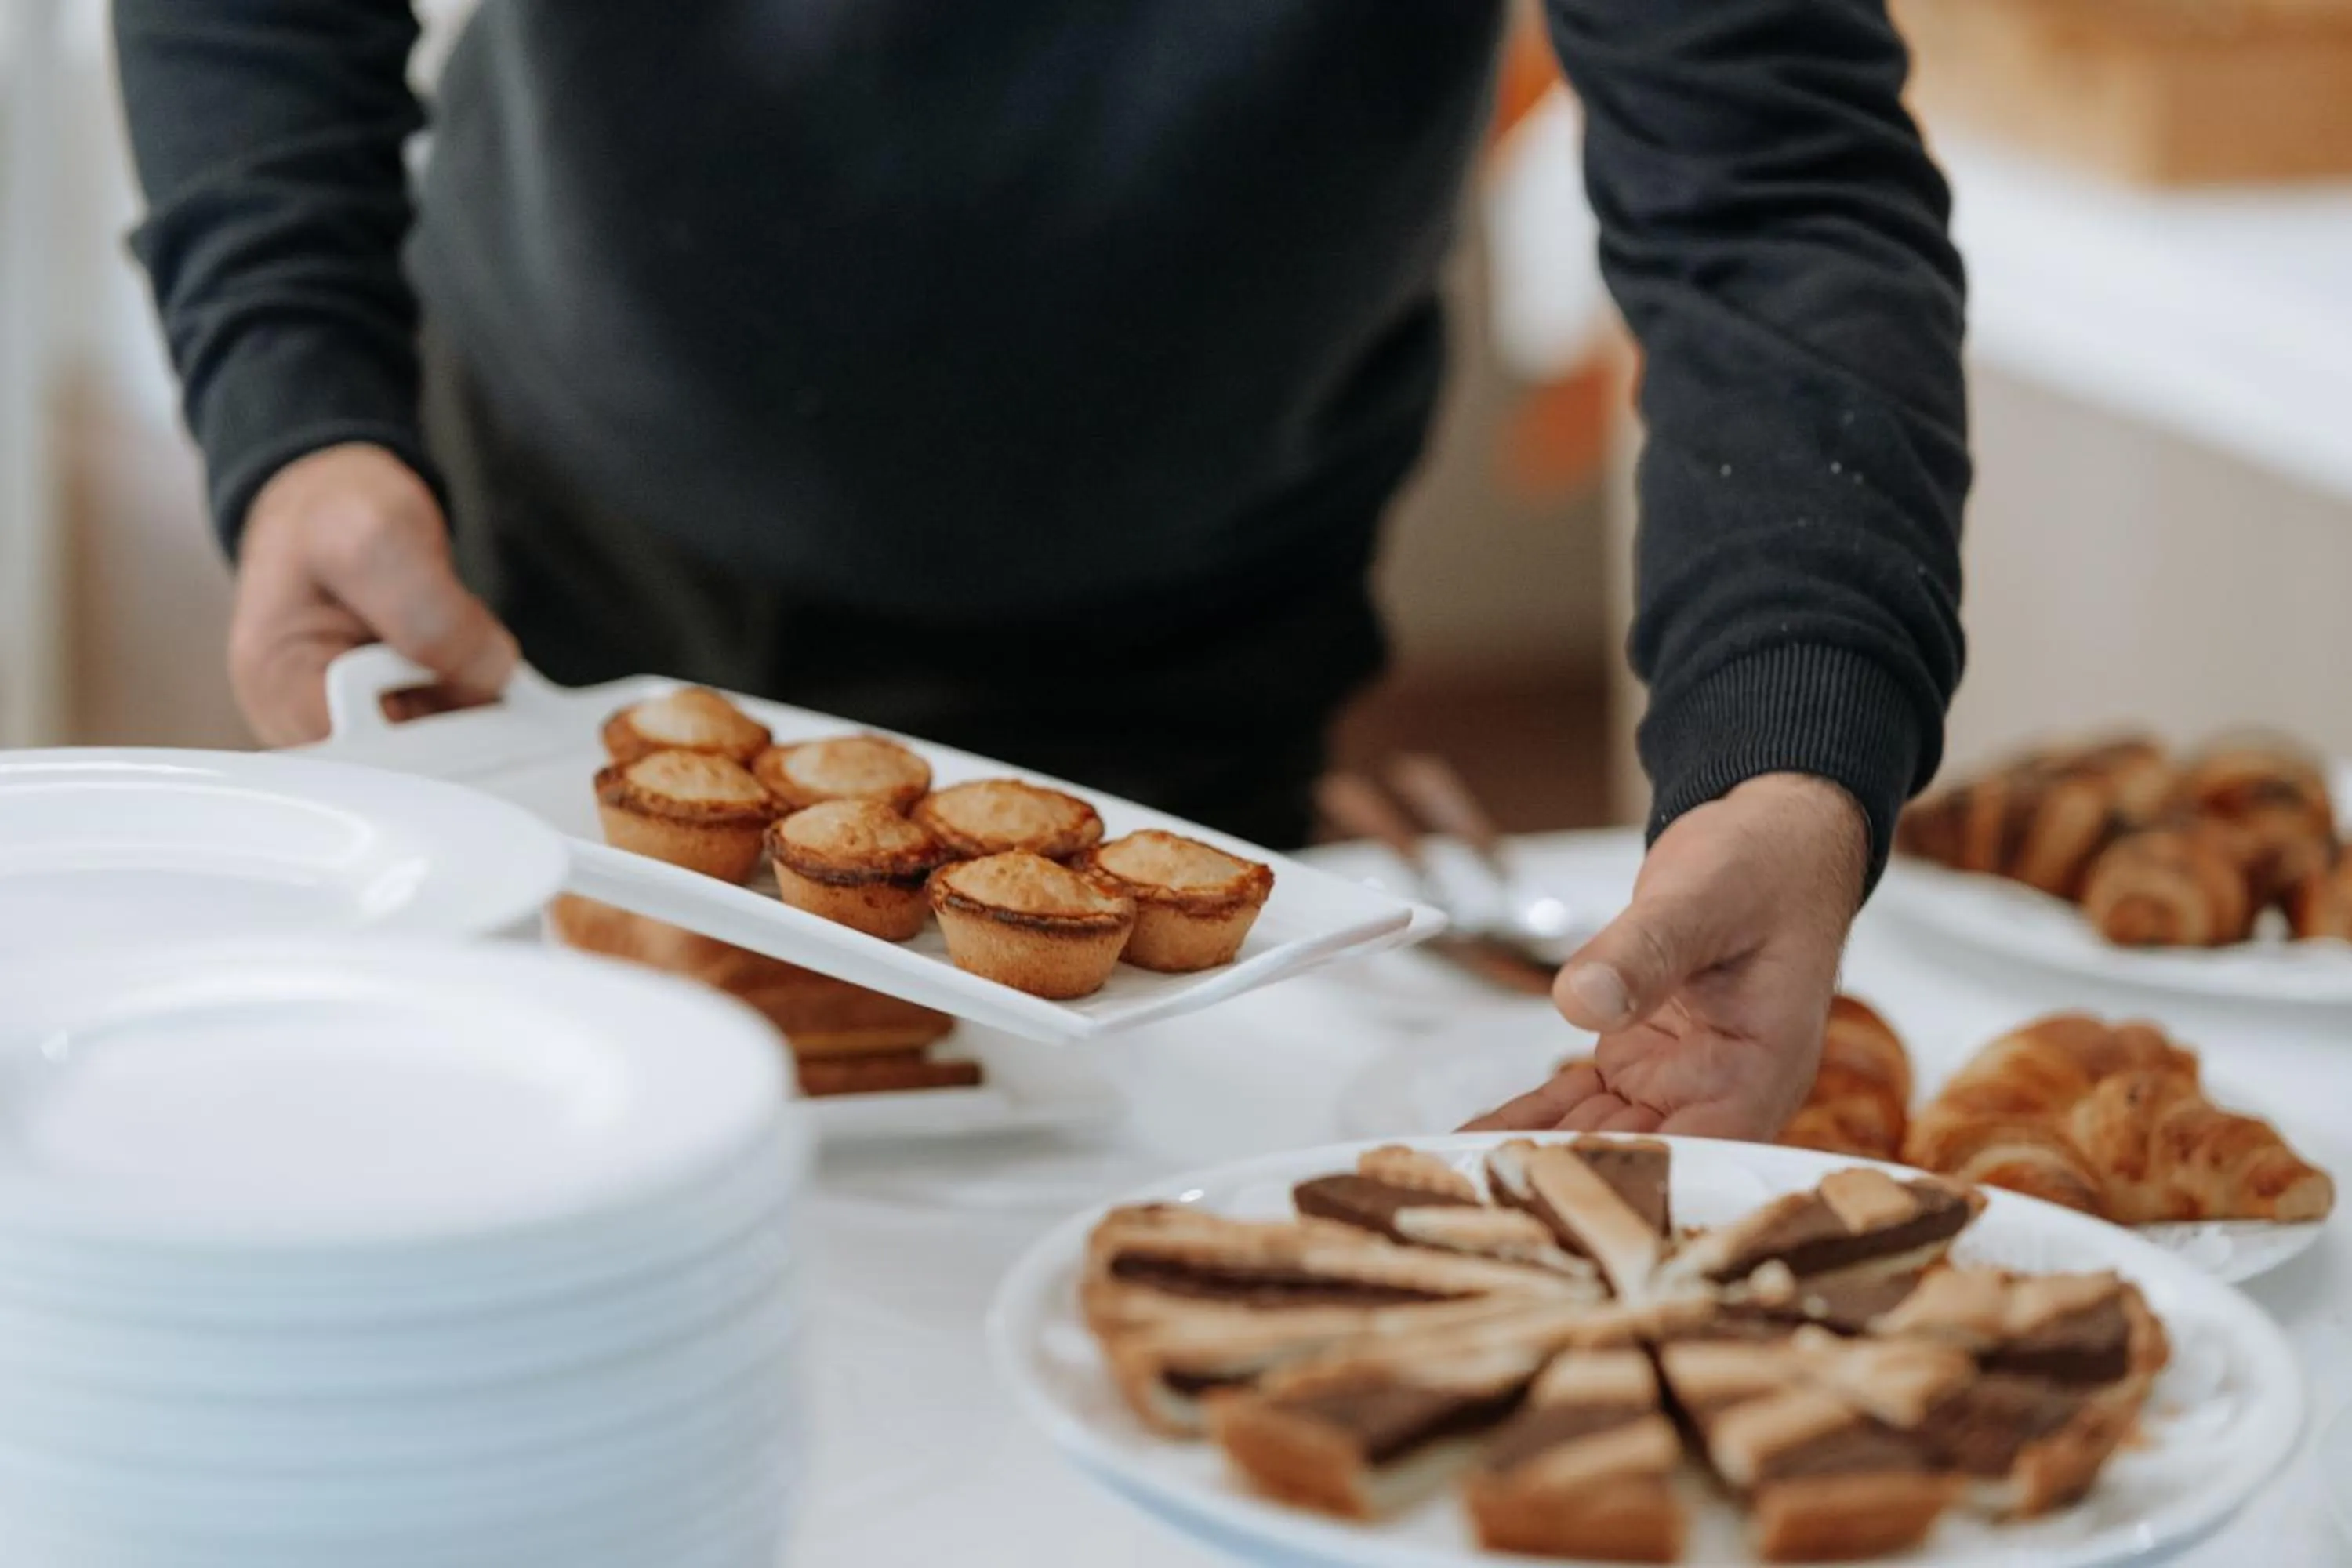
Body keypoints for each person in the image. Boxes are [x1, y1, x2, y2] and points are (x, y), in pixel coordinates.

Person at [113, 2, 1967, 1142]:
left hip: (1188, 642)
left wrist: (1790, 743)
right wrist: (298, 406)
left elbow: (1774, 188)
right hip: (543, 582)